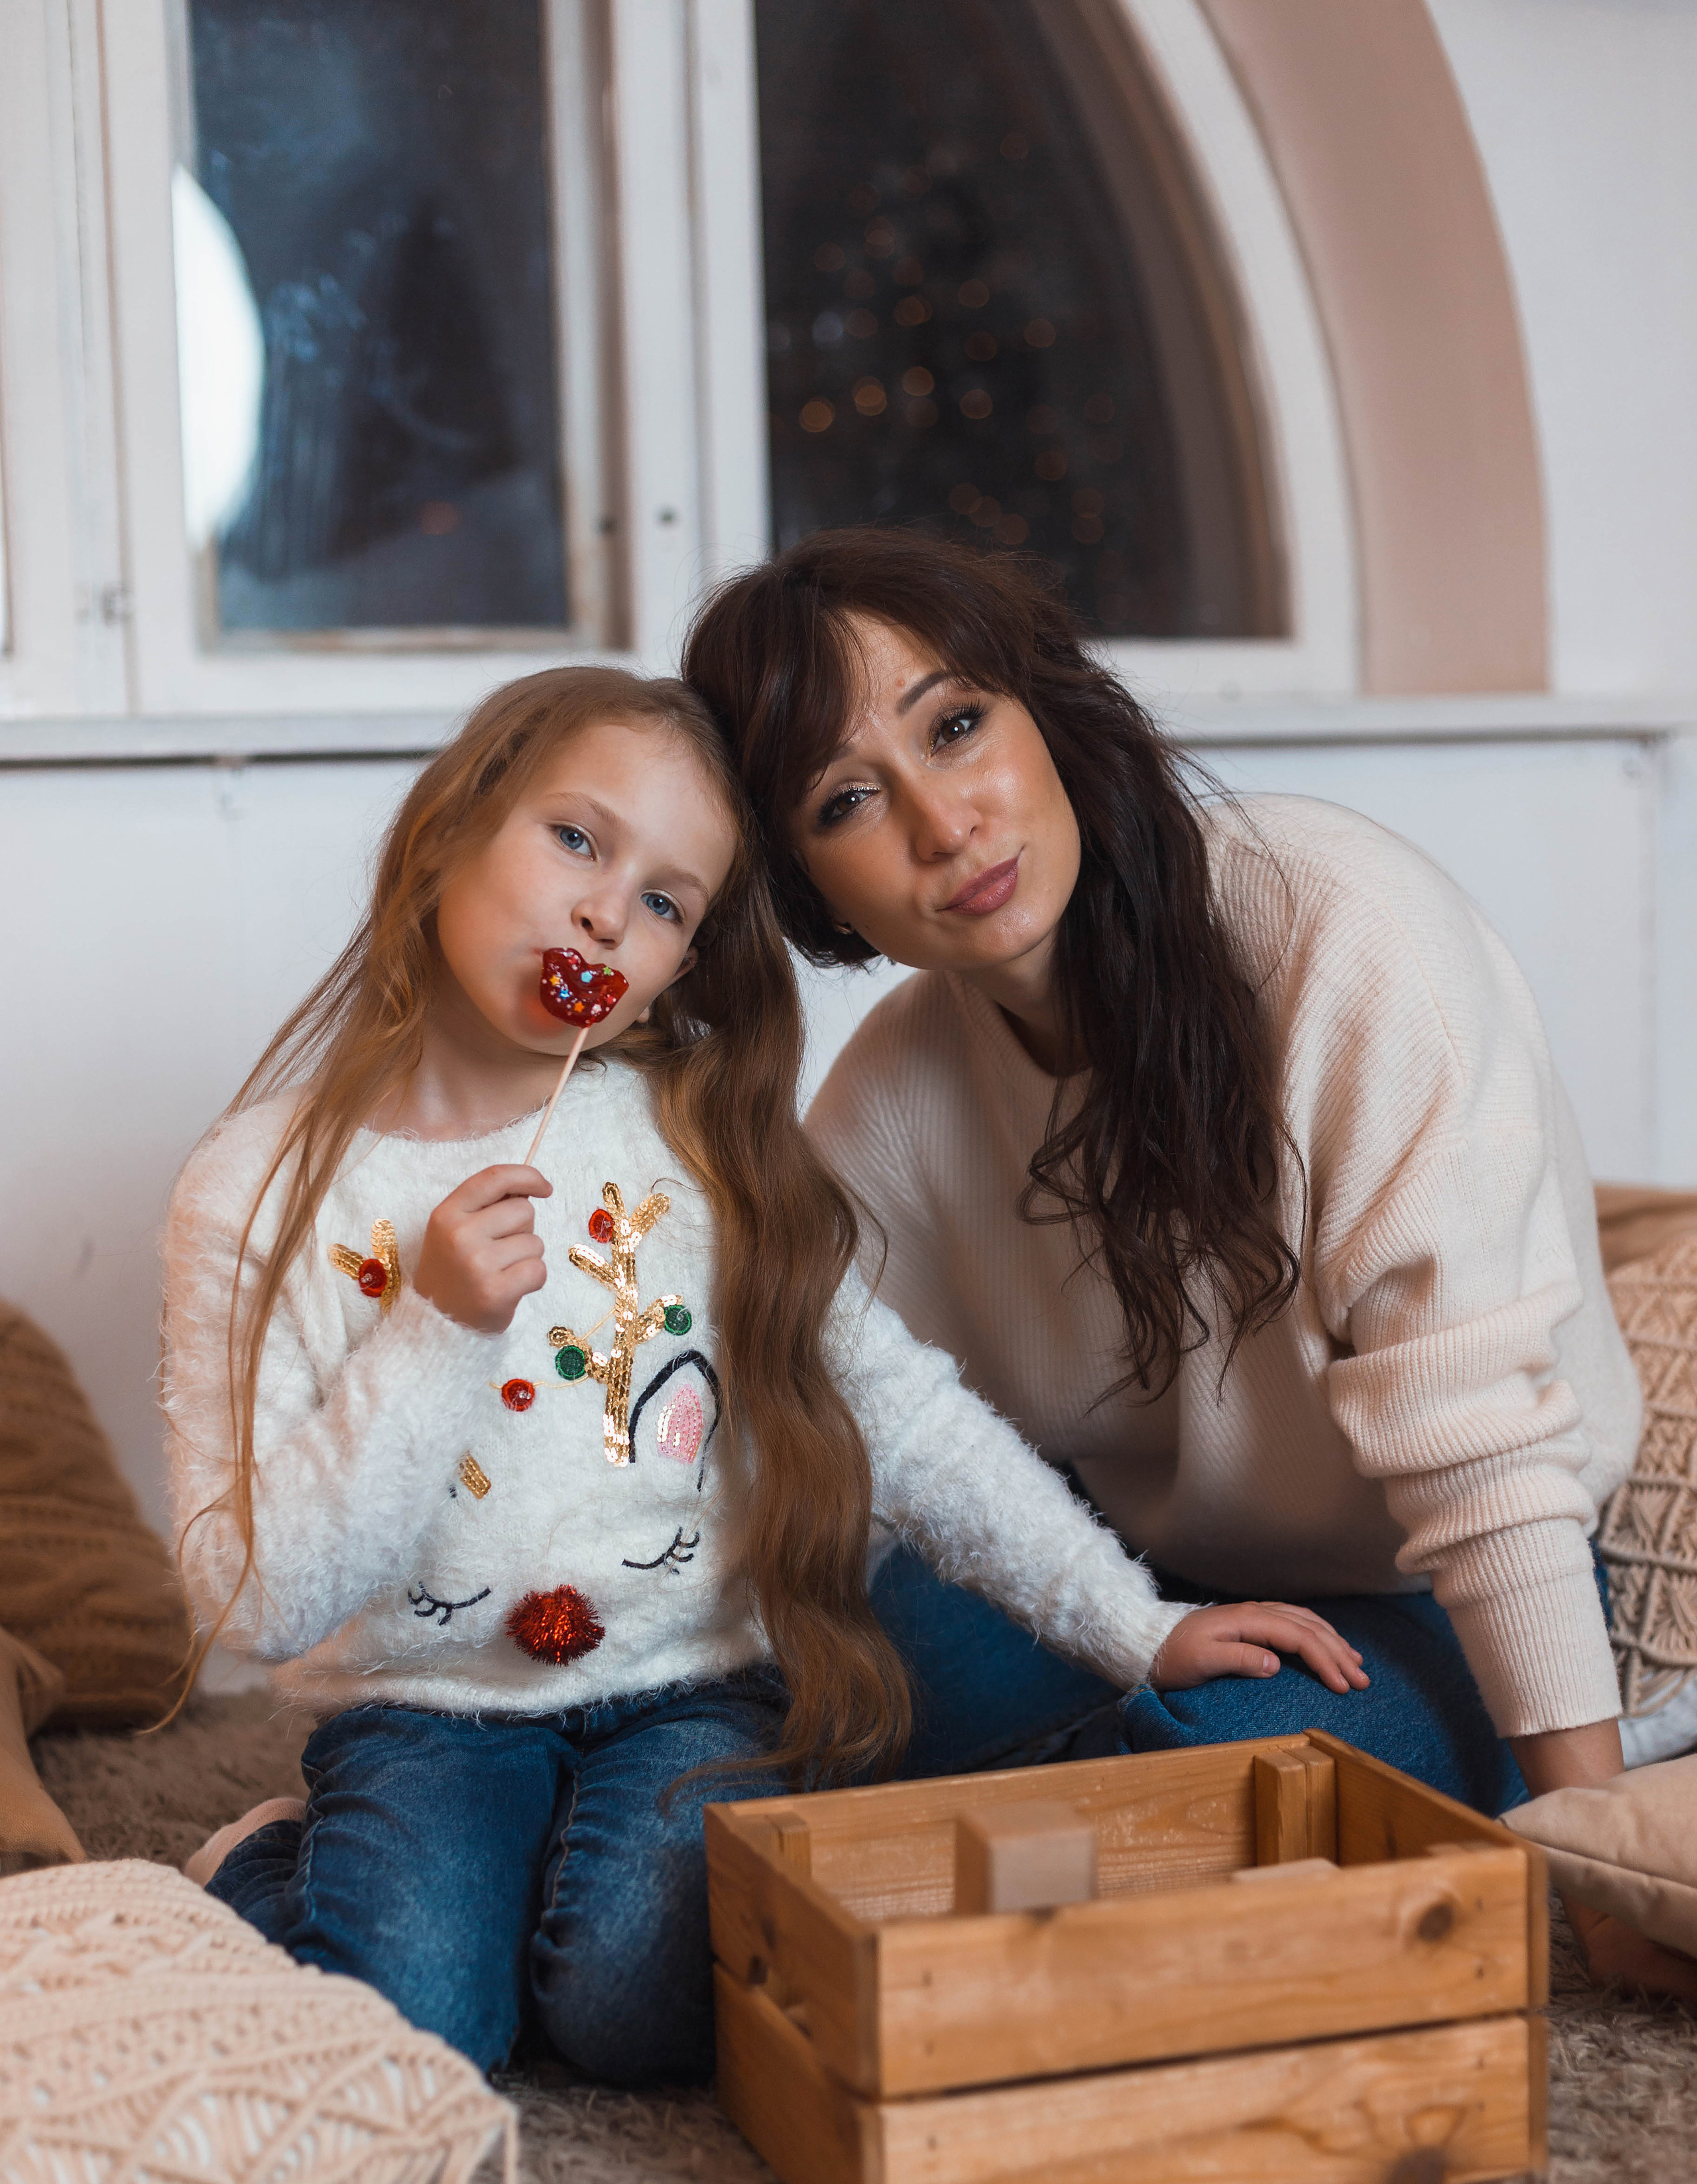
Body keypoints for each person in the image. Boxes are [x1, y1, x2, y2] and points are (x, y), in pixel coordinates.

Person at [164, 666, 1362, 2081]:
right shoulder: (253, 1192)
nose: (608, 915)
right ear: (447, 832)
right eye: (577, 840)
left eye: (667, 903)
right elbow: (251, 1601)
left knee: (637, 2008)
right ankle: (272, 1862)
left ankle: (495, 1902)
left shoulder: (696, 1152)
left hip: (689, 1689)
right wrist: (434, 1329)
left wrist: (1136, 1627)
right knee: (411, 2027)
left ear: (677, 971)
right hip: (424, 1709)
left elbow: (904, 1418)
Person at [684, 527, 1697, 1999]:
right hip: (1142, 1595)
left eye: (955, 726)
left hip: (1428, 1585)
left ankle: (968, 1858)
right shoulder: (890, 1096)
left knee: (1206, 1775)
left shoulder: (1342, 929)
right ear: (810, 889)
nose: (945, 824)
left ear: (1045, 708)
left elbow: (1480, 1451)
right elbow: (799, 1427)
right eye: (849, 800)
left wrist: (1598, 1854)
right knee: (802, 1671)